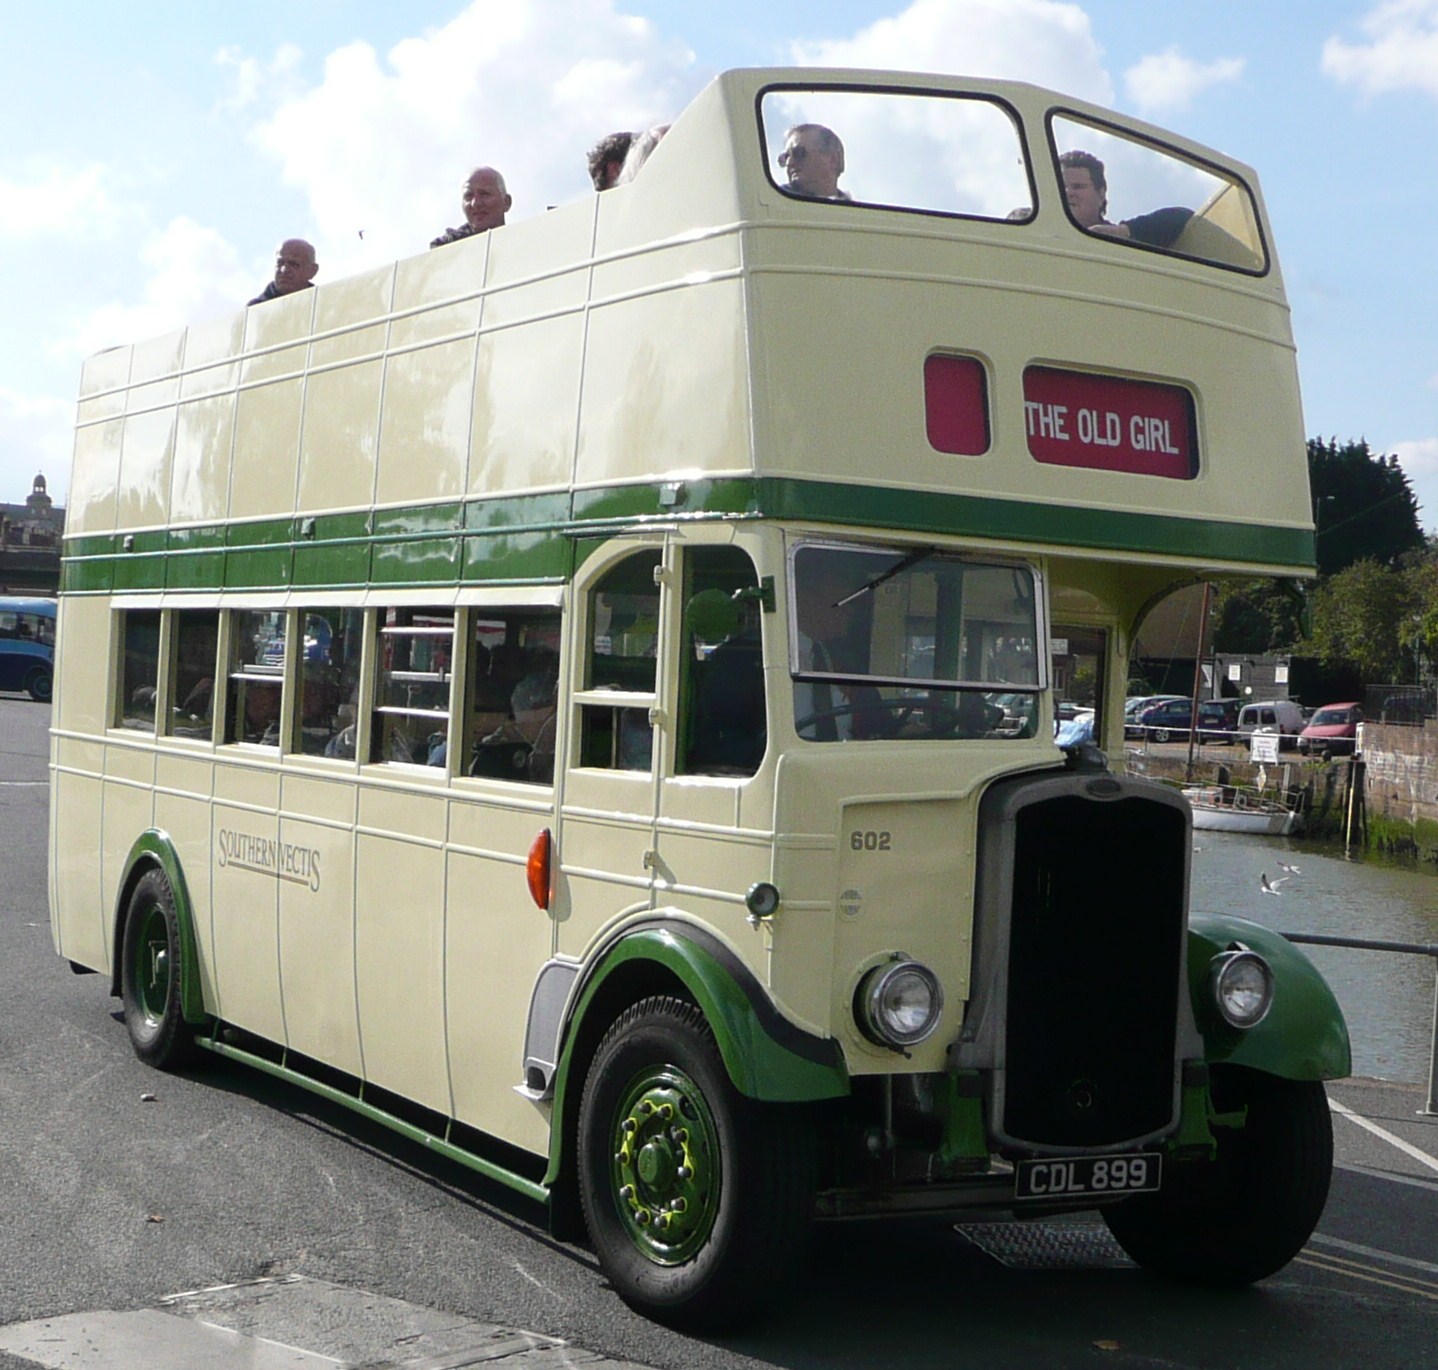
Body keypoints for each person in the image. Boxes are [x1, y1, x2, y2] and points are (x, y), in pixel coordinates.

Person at [1058, 150, 1191, 248]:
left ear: (1101, 194)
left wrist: (1123, 232)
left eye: (1078, 187)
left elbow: (1182, 217)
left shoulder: (1120, 243)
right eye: (1061, 187)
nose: (1068, 193)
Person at [430, 166, 512, 248]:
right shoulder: (448, 247)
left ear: (506, 202)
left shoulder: (517, 244)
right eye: (469, 196)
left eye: (484, 194)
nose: (475, 203)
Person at [778, 124, 851, 202]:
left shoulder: (852, 209)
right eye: (786, 157)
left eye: (798, 153)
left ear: (833, 160)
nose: (789, 163)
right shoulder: (776, 201)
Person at [247, 238, 318, 306]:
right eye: (280, 263)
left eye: (293, 264)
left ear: (312, 271)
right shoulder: (255, 310)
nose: (284, 270)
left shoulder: (320, 305)